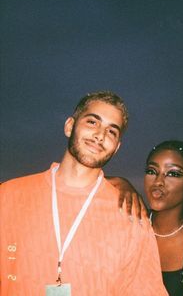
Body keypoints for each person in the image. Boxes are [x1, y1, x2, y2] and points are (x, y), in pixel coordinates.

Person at [0, 91, 168, 296]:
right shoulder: (7, 196)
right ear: (69, 126)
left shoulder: (133, 218)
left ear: (116, 148)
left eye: (112, 131)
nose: (100, 135)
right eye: (92, 122)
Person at [109, 140, 183, 296]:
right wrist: (121, 182)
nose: (158, 181)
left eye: (173, 173)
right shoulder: (130, 226)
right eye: (151, 171)